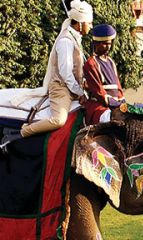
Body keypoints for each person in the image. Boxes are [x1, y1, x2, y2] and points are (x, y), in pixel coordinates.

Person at [1, 0, 93, 145]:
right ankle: (19, 133)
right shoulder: (65, 42)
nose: (91, 26)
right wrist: (81, 92)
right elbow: (66, 74)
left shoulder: (76, 40)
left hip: (73, 88)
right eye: (89, 22)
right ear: (80, 23)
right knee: (59, 120)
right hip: (61, 88)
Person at [83, 24, 125, 125]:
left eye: (110, 43)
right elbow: (99, 92)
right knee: (111, 121)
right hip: (98, 106)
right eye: (105, 44)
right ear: (96, 43)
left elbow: (118, 88)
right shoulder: (91, 63)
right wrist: (115, 105)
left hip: (116, 105)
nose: (108, 47)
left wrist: (123, 103)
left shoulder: (111, 62)